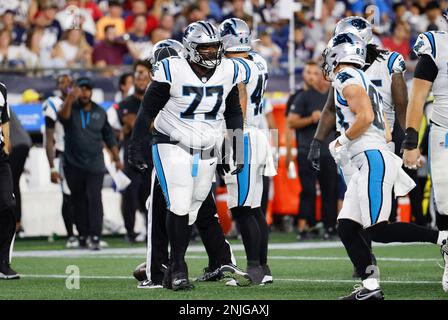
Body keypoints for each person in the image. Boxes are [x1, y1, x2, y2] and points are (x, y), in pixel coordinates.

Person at [322, 32, 448, 300]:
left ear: (338, 54)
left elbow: (366, 116)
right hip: (370, 156)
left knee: (378, 228)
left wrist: (341, 141)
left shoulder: (345, 77)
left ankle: (443, 239)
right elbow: (387, 131)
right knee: (346, 226)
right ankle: (370, 289)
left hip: (371, 159)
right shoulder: (363, 78)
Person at [129, 21, 245, 290]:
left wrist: (236, 147)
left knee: (193, 210)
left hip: (206, 149)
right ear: (191, 49)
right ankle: (176, 268)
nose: (212, 53)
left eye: (215, 47)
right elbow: (147, 110)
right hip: (172, 145)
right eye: (205, 48)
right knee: (178, 205)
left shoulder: (227, 69)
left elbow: (233, 111)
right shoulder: (173, 68)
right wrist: (136, 144)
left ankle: (172, 265)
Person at [218, 18, 276, 285]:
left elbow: (239, 98)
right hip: (256, 134)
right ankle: (262, 268)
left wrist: (234, 143)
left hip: (241, 134)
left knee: (242, 207)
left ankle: (255, 268)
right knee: (253, 208)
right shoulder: (258, 61)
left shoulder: (232, 66)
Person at [403, 17, 448, 292]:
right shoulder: (436, 44)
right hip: (444, 131)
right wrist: (410, 141)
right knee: (444, 199)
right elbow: (417, 97)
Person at [58, 77, 122, 251]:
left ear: (92, 91)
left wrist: (116, 158)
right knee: (78, 200)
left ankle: (95, 235)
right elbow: (62, 118)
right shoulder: (70, 108)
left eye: (87, 89)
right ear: (76, 90)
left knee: (94, 198)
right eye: (81, 89)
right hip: (73, 163)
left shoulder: (100, 112)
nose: (85, 92)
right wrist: (70, 98)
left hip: (95, 164)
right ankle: (83, 235)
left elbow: (109, 136)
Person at [287, 61, 337, 240]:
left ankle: (330, 227)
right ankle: (305, 227)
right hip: (307, 151)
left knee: (330, 191)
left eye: (320, 73)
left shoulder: (333, 96)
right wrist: (310, 118)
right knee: (307, 190)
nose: (319, 78)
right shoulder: (303, 96)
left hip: (328, 152)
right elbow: (291, 122)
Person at [118, 60, 152, 243]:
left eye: (143, 73)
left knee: (151, 196)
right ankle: (130, 231)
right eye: (137, 73)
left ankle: (150, 230)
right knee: (130, 195)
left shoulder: (155, 99)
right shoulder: (126, 102)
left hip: (153, 153)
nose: (140, 77)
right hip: (133, 155)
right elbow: (132, 122)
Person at [42, 74, 77, 248]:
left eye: (69, 82)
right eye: (62, 82)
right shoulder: (52, 104)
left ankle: (86, 233)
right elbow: (49, 138)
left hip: (81, 153)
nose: (66, 85)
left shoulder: (79, 99)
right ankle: (71, 235)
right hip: (64, 153)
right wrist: (51, 168)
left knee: (84, 194)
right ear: (57, 85)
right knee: (68, 195)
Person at [0, 82, 18, 279]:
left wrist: (7, 141)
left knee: (8, 205)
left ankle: (3, 262)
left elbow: (4, 118)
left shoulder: (2, 88)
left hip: (0, 157)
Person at [9, 110, 31, 236]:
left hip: (16, 144)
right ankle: (15, 222)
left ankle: (16, 223)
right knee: (11, 182)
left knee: (10, 182)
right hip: (19, 143)